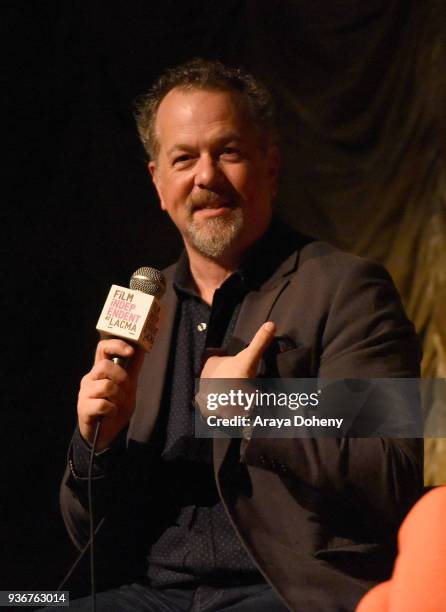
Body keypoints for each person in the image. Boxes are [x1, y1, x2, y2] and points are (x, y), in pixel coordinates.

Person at [58, 59, 423, 611]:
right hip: (152, 594)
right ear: (158, 183)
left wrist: (259, 410)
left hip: (285, 591)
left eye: (227, 152)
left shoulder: (347, 287)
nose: (206, 176)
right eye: (183, 159)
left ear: (270, 166)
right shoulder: (143, 313)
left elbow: (394, 466)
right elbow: (86, 534)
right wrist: (97, 444)